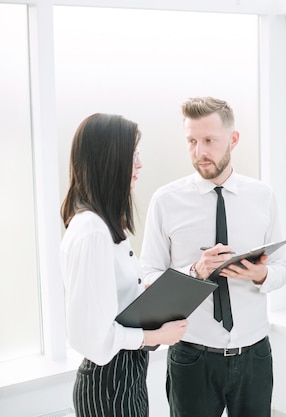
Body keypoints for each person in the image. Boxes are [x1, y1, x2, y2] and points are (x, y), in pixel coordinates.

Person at [140, 96, 286, 417]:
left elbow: (281, 270)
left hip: (254, 355)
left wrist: (259, 275)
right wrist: (193, 271)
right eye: (191, 141)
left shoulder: (263, 196)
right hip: (192, 355)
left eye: (209, 140)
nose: (199, 152)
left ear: (233, 140)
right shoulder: (166, 200)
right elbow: (147, 276)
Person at [60, 113, 188, 417]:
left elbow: (114, 304)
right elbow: (93, 337)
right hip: (108, 383)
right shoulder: (92, 230)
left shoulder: (104, 225)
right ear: (109, 159)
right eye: (132, 154)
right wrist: (159, 336)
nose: (140, 164)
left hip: (125, 377)